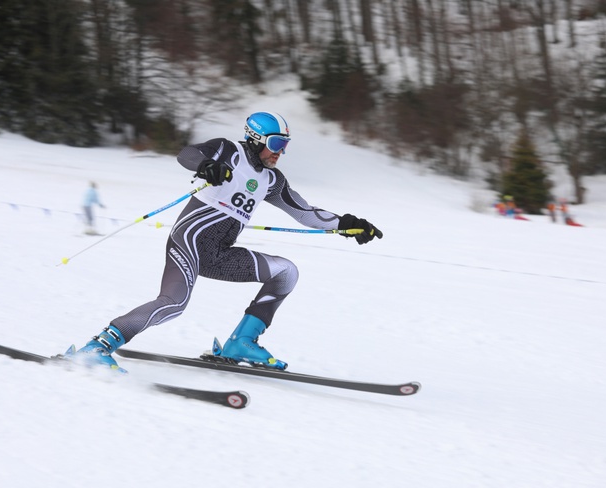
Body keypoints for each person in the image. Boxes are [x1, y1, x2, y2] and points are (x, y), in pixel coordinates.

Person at [65, 112, 383, 372]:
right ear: (257, 138)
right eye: (276, 143)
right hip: (187, 243)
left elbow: (305, 213)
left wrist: (347, 224)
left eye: (284, 145)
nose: (280, 151)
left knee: (286, 272)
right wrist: (206, 166)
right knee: (174, 304)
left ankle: (241, 343)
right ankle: (99, 345)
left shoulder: (273, 180)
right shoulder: (228, 150)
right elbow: (187, 154)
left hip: (220, 255)